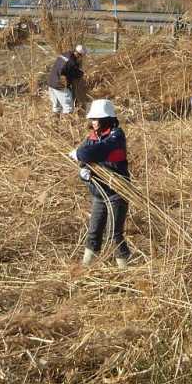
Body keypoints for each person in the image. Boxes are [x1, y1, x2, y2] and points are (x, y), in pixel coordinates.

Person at [69, 99, 131, 268]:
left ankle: (125, 272)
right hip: (99, 193)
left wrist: (80, 154)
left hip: (117, 193)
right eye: (92, 119)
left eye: (96, 119)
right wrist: (85, 174)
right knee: (94, 232)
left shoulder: (116, 136)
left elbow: (93, 152)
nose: (93, 122)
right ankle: (86, 267)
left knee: (113, 235)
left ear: (106, 119)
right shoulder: (93, 137)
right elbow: (85, 161)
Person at [47, 44, 88, 115]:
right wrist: (82, 73)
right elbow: (75, 75)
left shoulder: (65, 54)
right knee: (68, 108)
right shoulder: (72, 62)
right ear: (79, 55)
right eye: (82, 57)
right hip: (59, 85)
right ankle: (67, 124)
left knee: (57, 107)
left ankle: (55, 124)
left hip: (51, 82)